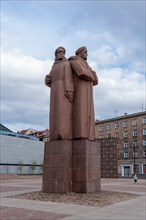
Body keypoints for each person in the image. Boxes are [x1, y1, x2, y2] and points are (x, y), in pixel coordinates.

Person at [69, 46, 98, 141]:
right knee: (81, 112)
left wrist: (92, 75)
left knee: (89, 113)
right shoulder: (74, 61)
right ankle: (81, 134)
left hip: (88, 91)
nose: (87, 54)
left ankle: (88, 135)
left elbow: (96, 80)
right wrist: (92, 74)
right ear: (79, 52)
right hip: (80, 90)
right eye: (85, 52)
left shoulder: (87, 65)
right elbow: (81, 72)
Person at [45, 47, 74, 141]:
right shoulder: (54, 66)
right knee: (54, 112)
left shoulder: (66, 63)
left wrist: (69, 91)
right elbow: (50, 77)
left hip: (62, 89)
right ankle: (54, 134)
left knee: (63, 112)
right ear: (56, 54)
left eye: (63, 52)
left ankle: (64, 134)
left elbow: (68, 78)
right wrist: (47, 80)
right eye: (59, 52)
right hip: (54, 90)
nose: (61, 53)